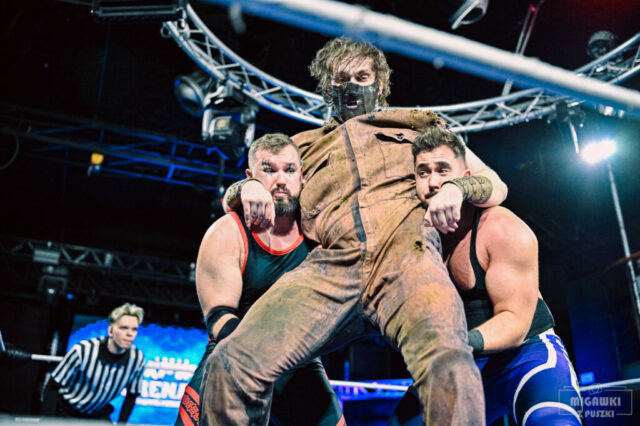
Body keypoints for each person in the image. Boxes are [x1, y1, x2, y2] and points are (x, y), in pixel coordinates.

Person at [202, 37, 509, 425]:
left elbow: (495, 183)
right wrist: (247, 187)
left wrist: (456, 188)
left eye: (362, 77)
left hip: (408, 260)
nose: (351, 87)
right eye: (340, 78)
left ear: (380, 84)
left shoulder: (417, 128)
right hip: (331, 269)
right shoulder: (302, 149)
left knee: (449, 361)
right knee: (231, 362)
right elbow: (245, 191)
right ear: (326, 87)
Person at [387, 127, 582, 425]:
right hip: (462, 363)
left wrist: (454, 344)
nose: (433, 181)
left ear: (465, 177)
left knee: (553, 421)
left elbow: (515, 322)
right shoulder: (413, 239)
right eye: (423, 173)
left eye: (443, 170)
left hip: (526, 356)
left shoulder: (500, 228)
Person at [177, 133, 344, 426]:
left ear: (303, 176)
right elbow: (219, 318)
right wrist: (266, 355)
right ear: (250, 177)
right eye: (269, 170)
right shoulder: (227, 232)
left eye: (289, 170)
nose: (280, 180)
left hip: (298, 362)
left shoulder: (320, 232)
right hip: (233, 354)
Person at [42, 303, 146, 424]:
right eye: (124, 328)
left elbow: (132, 395)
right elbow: (53, 385)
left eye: (134, 329)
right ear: (111, 330)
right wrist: (47, 421)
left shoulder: (137, 359)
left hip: (97, 413)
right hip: (67, 410)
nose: (130, 333)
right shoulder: (83, 350)